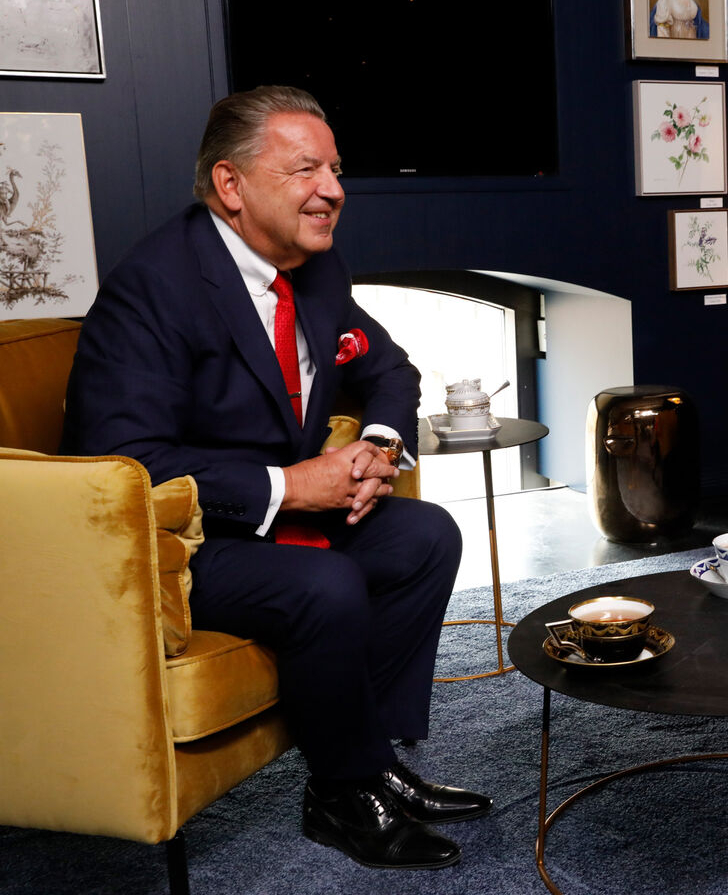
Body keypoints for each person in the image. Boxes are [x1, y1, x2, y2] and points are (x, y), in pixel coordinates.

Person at [61, 86, 488, 871]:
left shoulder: (315, 270)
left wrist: (376, 451)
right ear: (231, 185)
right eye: (305, 170)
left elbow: (391, 369)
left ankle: (373, 760)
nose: (332, 190)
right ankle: (343, 789)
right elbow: (122, 465)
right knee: (320, 587)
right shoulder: (153, 287)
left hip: (284, 516)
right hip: (181, 547)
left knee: (425, 535)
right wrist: (294, 487)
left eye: (335, 168)